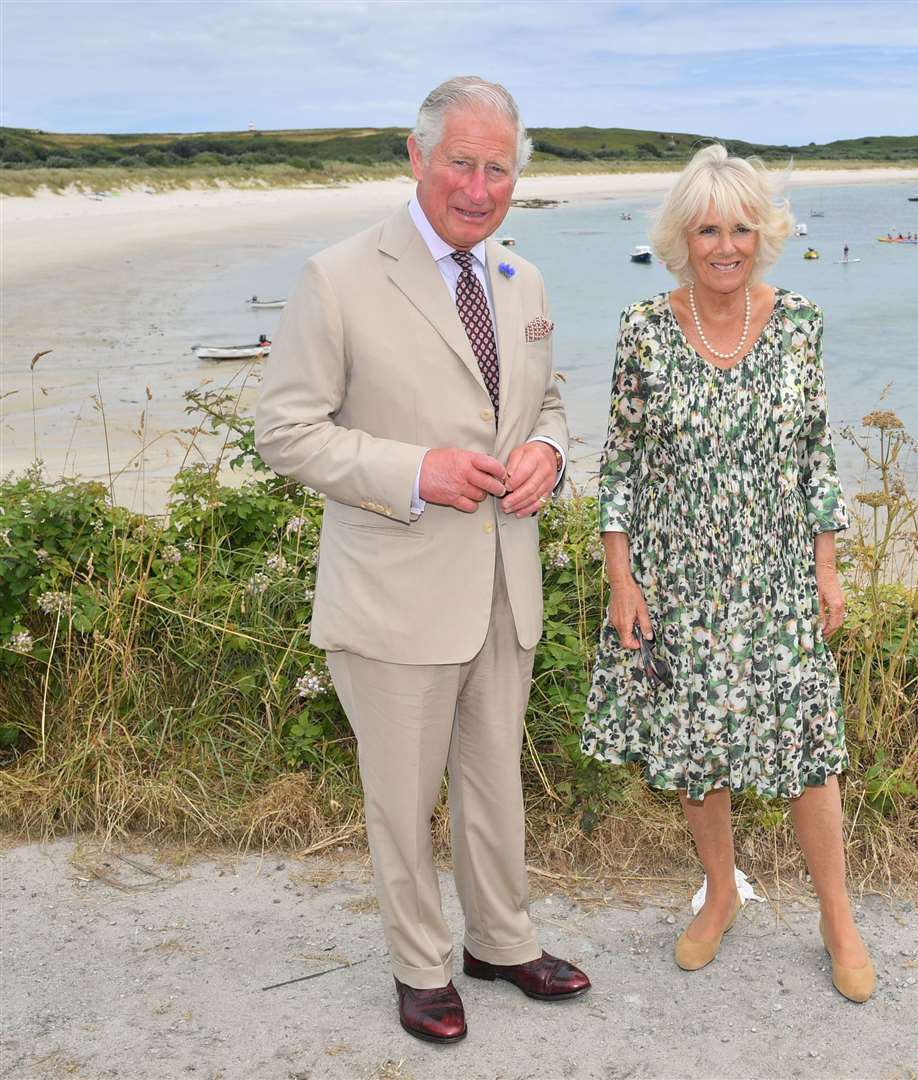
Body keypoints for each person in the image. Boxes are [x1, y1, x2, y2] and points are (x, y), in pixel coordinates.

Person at [254, 76, 590, 1045]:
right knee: (401, 797)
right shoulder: (339, 277)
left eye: (499, 168)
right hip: (394, 587)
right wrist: (415, 470)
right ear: (418, 155)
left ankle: (500, 940)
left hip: (502, 584)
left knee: (494, 780)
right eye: (462, 162)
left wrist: (549, 454)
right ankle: (419, 963)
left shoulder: (523, 281)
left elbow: (550, 401)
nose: (480, 186)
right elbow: (285, 431)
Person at [582, 144, 875, 1004]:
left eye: (742, 227)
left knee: (807, 751)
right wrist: (622, 580)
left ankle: (837, 917)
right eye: (708, 228)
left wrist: (827, 568)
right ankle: (719, 892)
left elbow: (818, 453)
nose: (726, 245)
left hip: (778, 576)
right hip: (679, 582)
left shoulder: (800, 322)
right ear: (682, 236)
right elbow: (624, 464)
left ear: (764, 233)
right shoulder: (644, 329)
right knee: (697, 749)